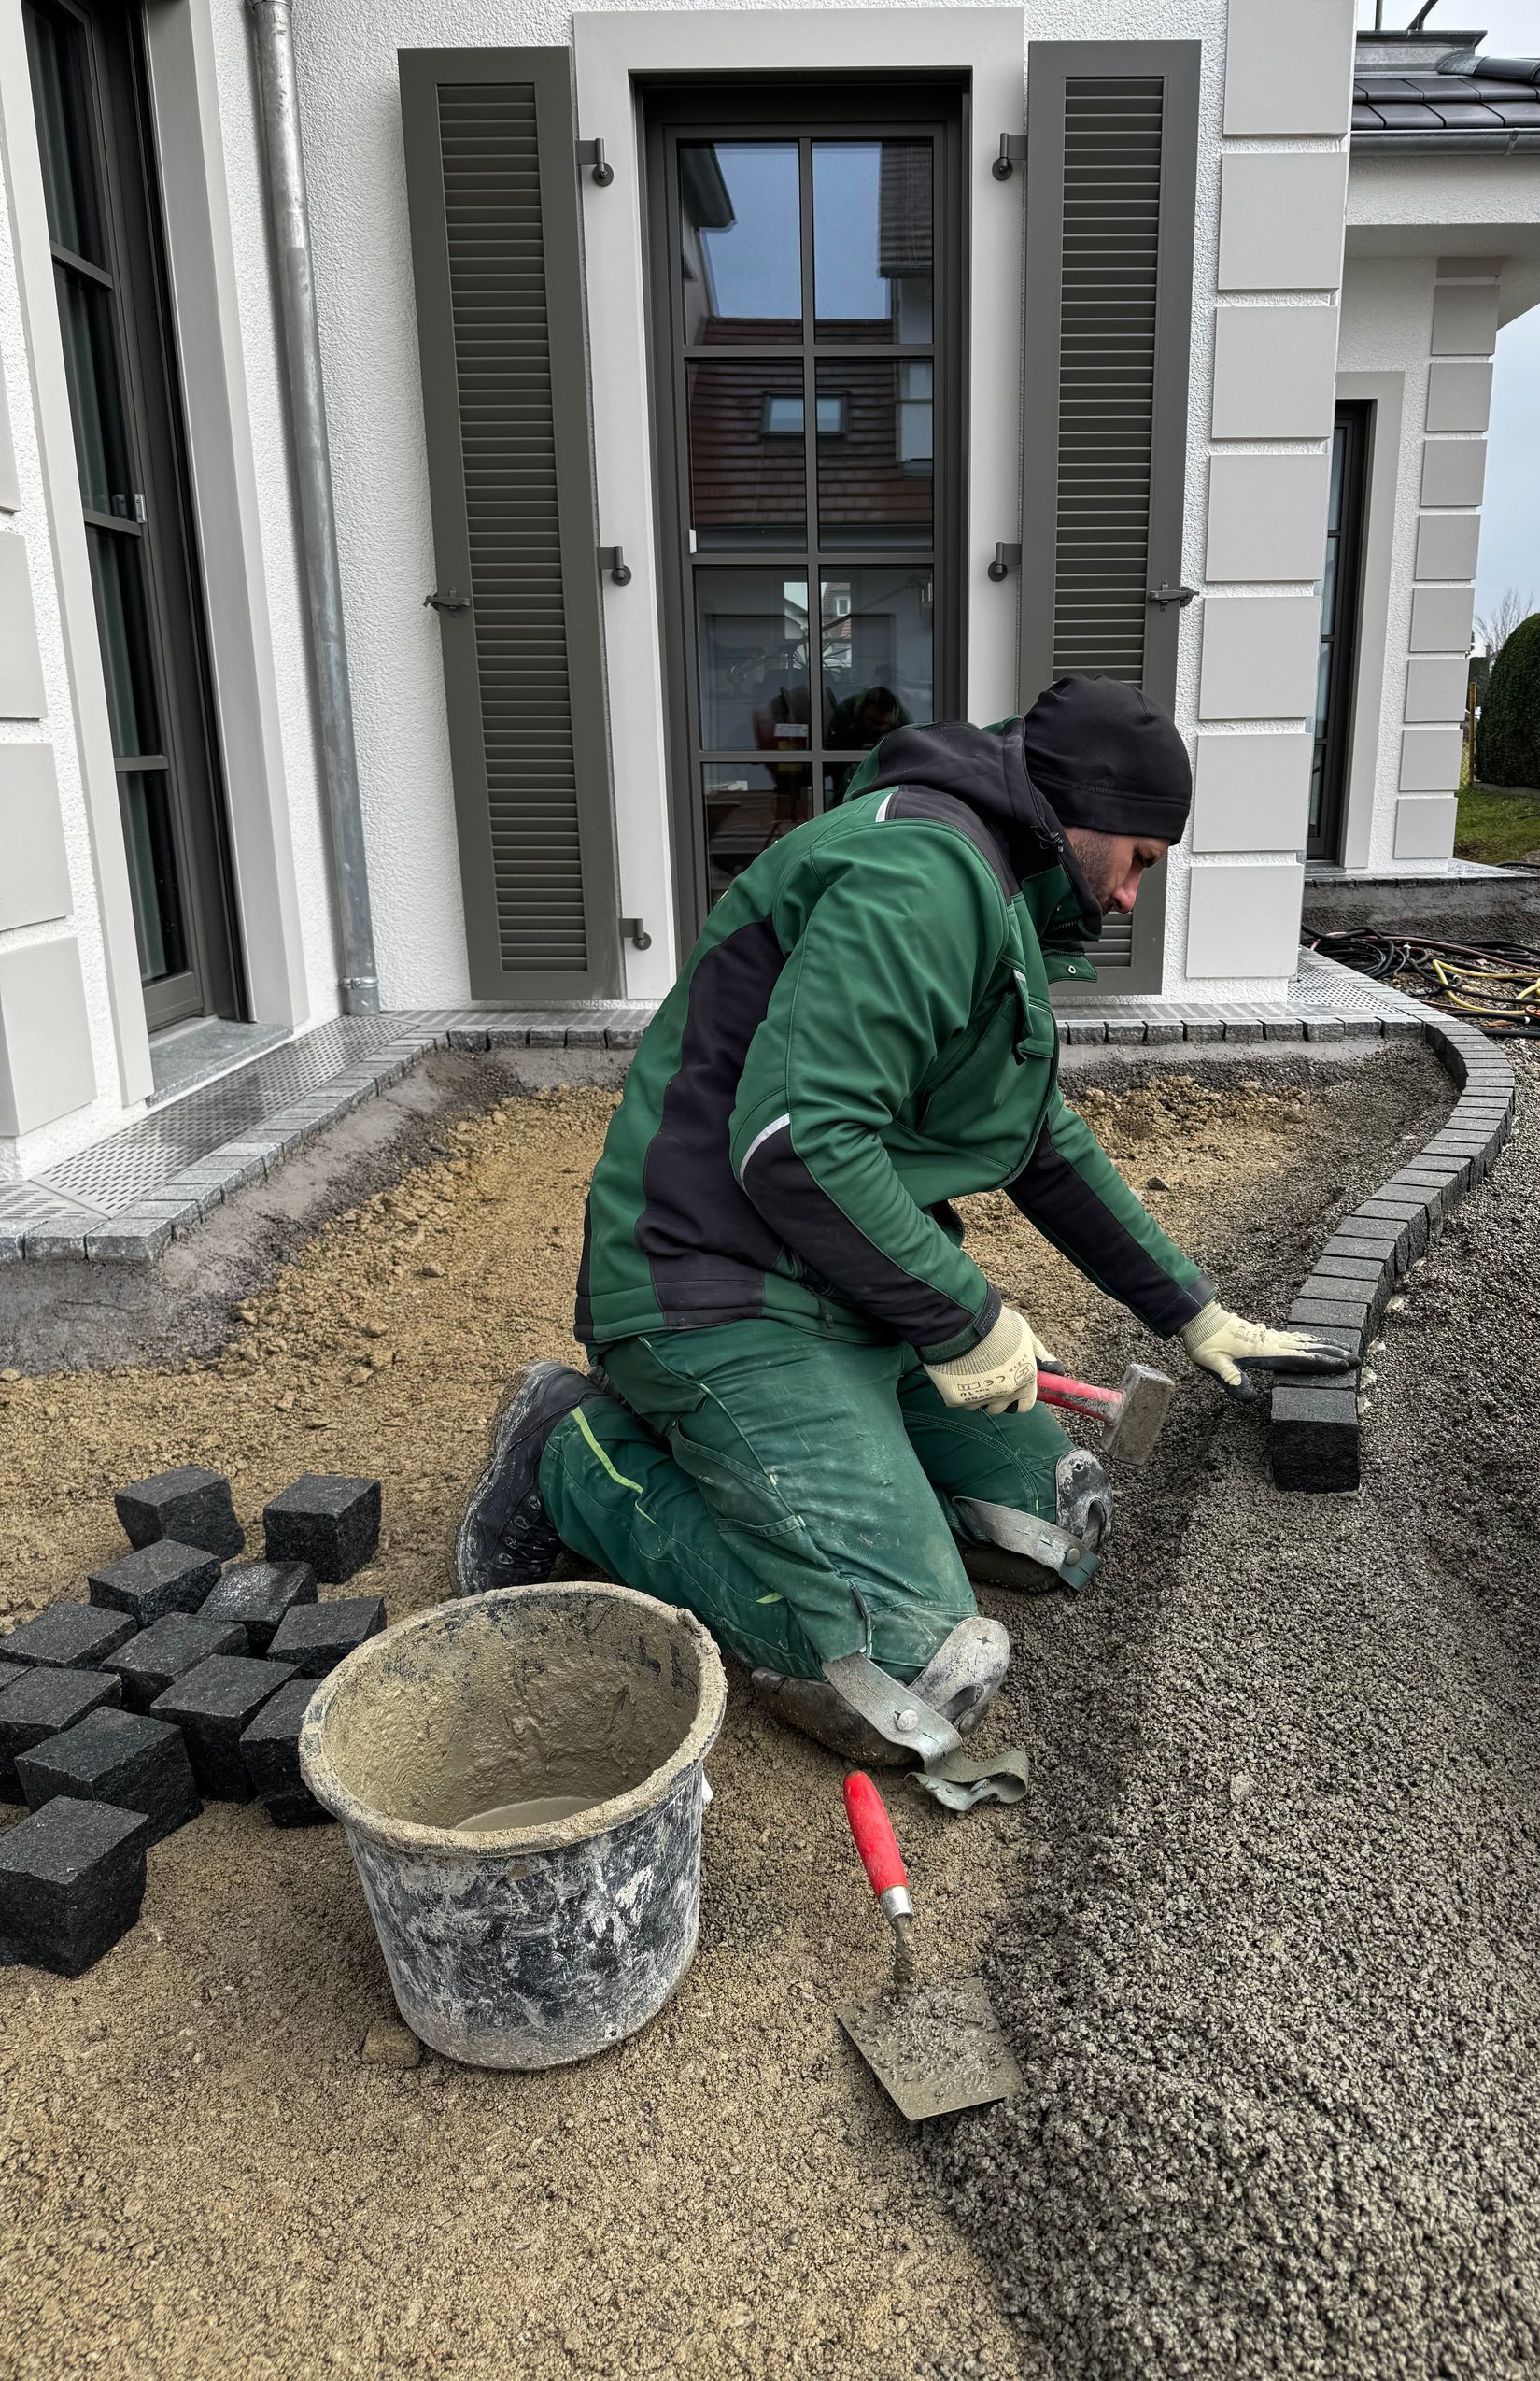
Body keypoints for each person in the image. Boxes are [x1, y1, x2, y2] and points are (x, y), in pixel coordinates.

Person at [457, 677, 1348, 1770]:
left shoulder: (992, 897)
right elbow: (794, 1140)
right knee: (915, 1672)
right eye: (1139, 862)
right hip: (712, 1288)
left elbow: (1035, 1137)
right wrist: (965, 1315)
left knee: (1061, 1526)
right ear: (1080, 813)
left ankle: (840, 1474)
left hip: (839, 1284)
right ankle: (577, 1456)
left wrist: (1194, 1311)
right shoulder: (924, 876)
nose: (1127, 900)